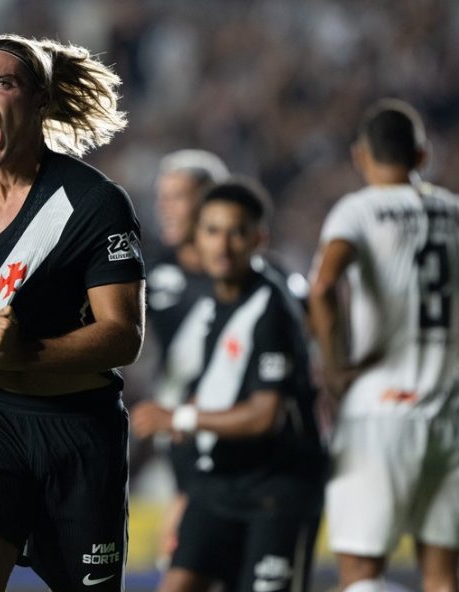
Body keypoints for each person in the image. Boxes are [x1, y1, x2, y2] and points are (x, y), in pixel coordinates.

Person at [0, 34, 144, 591]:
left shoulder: (95, 203)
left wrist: (30, 353)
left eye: (2, 83)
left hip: (79, 432)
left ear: (39, 102)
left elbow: (123, 335)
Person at [132, 179, 325, 592]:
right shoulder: (213, 302)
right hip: (217, 485)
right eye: (213, 231)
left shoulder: (272, 308)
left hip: (275, 493)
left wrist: (178, 416)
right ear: (197, 237)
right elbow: (222, 388)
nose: (223, 245)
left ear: (259, 238)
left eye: (237, 232)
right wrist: (188, 489)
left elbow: (264, 415)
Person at [308, 99, 459, 592]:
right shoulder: (454, 212)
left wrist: (334, 368)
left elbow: (324, 286)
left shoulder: (358, 209)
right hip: (451, 411)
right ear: (422, 155)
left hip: (381, 411)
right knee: (441, 575)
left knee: (360, 575)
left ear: (360, 156)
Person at [143, 149, 229, 569]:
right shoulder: (149, 270)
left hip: (240, 441)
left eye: (177, 196)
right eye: (162, 196)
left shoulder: (257, 278)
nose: (164, 207)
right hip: (178, 442)